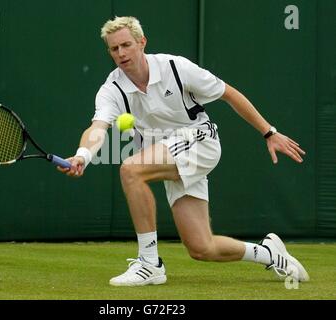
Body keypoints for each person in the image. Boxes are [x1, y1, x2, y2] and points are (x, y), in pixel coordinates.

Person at [58, 16, 309, 286]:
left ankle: (149, 263)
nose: (120, 53)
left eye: (126, 45)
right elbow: (97, 127)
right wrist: (83, 154)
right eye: (114, 48)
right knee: (202, 247)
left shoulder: (175, 67)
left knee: (131, 169)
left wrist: (269, 132)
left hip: (200, 141)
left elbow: (229, 93)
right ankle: (269, 253)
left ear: (142, 42)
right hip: (169, 154)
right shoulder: (112, 88)